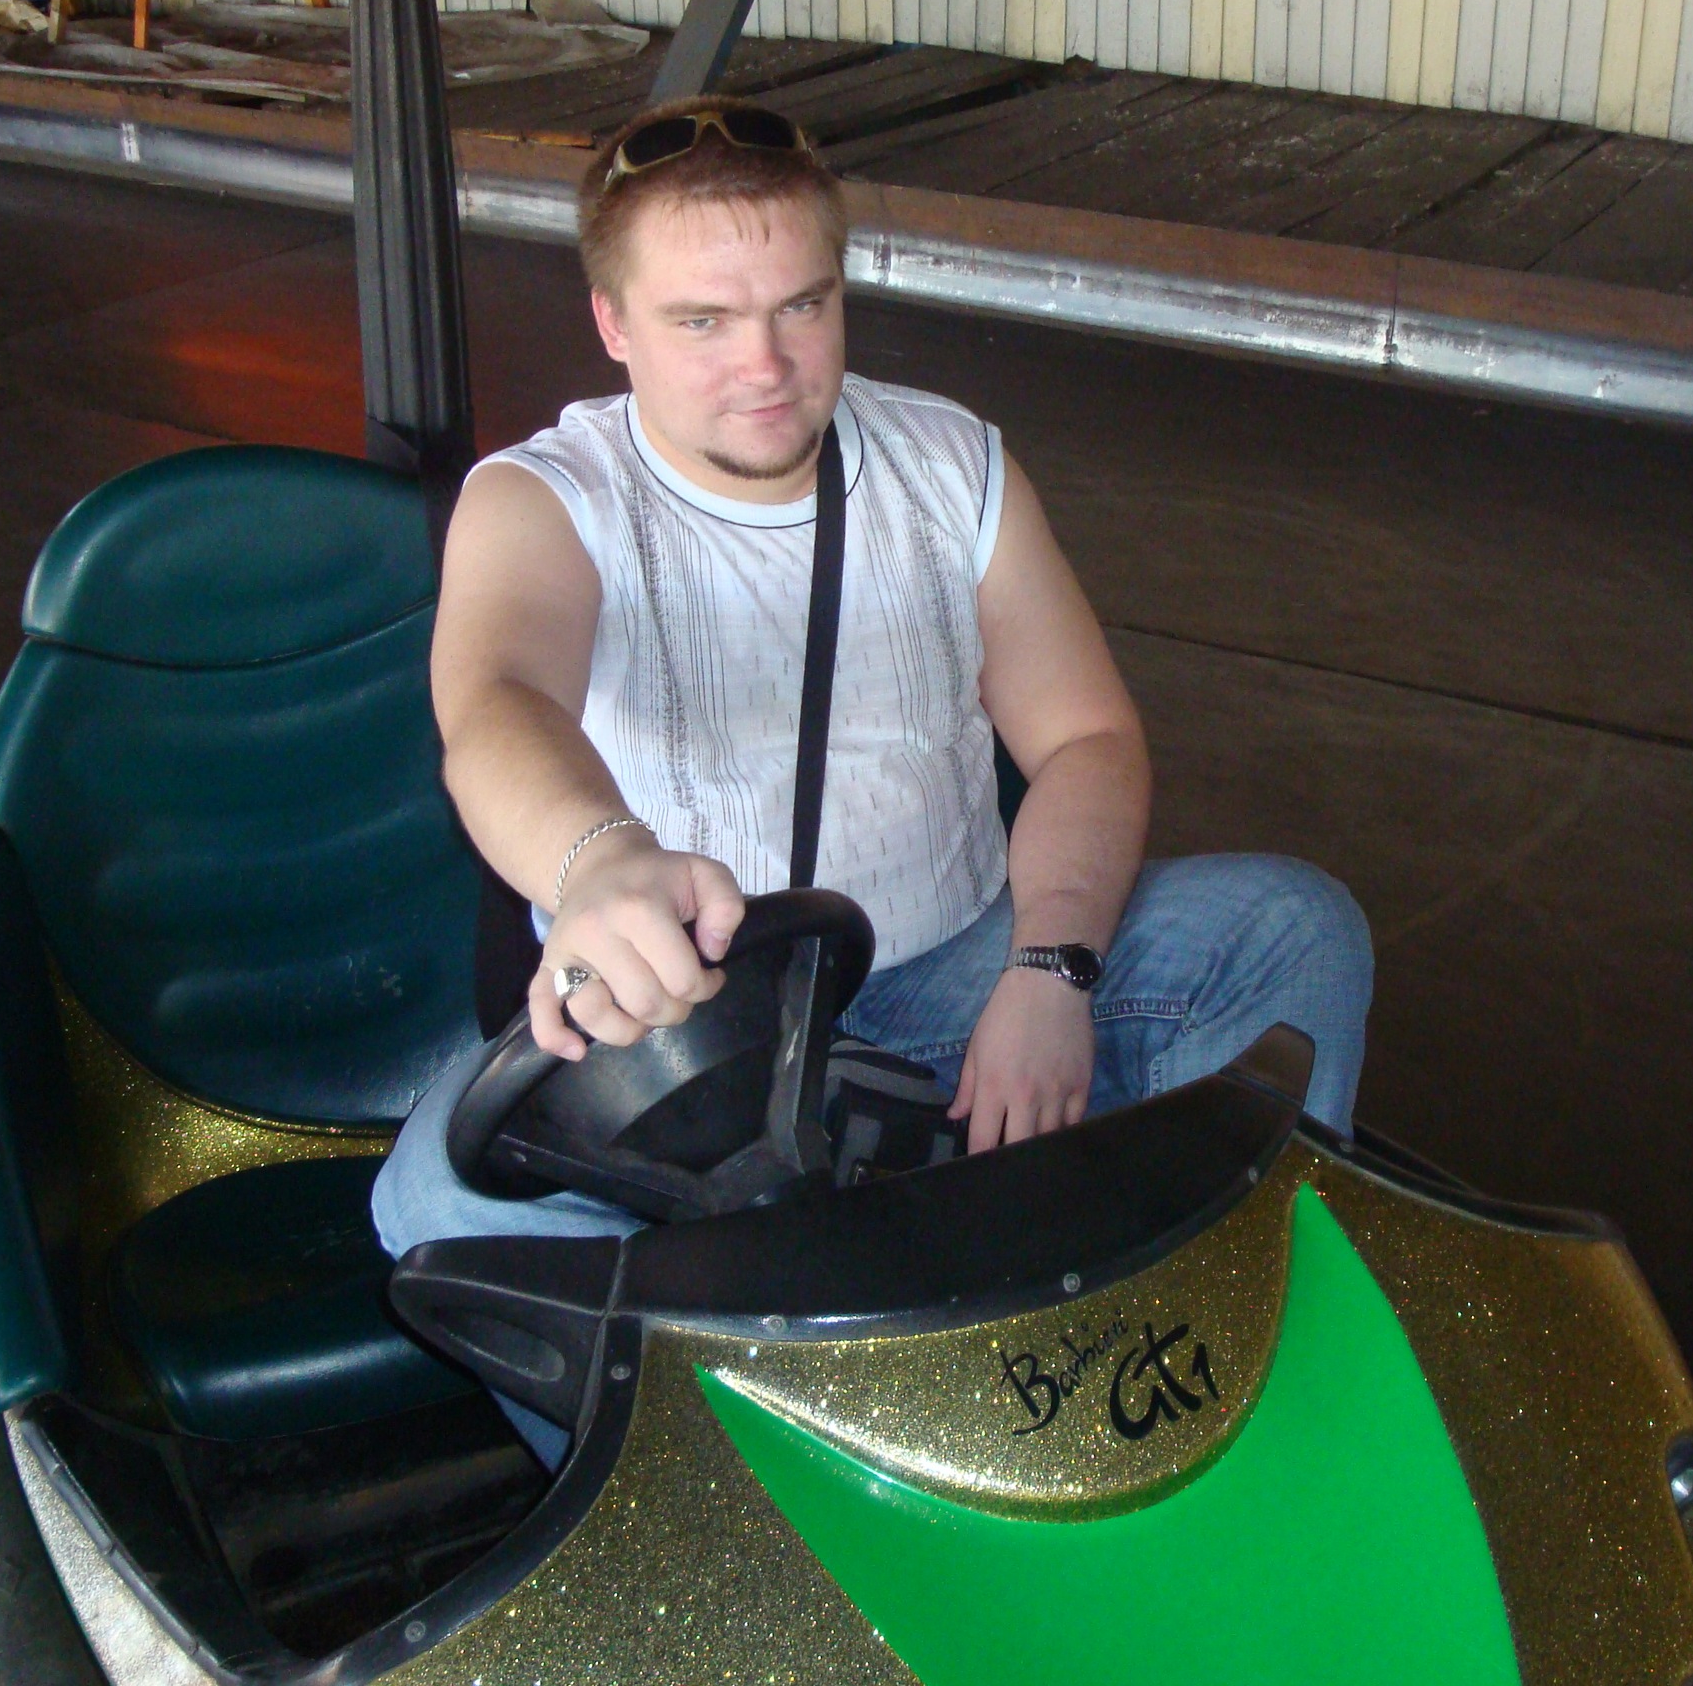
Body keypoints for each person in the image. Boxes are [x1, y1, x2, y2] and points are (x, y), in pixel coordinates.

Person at [374, 98, 1373, 1376]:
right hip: (690, 1031)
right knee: (434, 1210)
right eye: (701, 321)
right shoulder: (545, 498)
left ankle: (1215, 1361)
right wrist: (601, 862)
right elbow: (496, 701)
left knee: (1292, 928)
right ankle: (773, 1440)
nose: (765, 365)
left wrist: (1051, 971)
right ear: (613, 325)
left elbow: (1086, 738)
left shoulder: (948, 463)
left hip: (949, 976)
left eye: (801, 305)